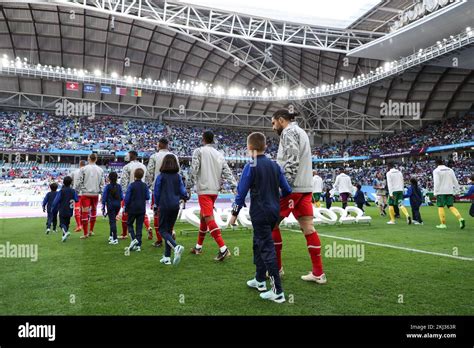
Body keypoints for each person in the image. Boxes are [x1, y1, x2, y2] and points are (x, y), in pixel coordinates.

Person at [229, 132, 291, 303]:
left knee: (266, 248)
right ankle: (259, 280)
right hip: (273, 212)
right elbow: (286, 190)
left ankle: (277, 291)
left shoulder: (251, 166)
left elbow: (241, 193)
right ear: (265, 146)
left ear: (249, 148)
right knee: (259, 244)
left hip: (259, 213)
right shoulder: (275, 165)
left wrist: (234, 214)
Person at [271, 108, 326, 284]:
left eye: (273, 123)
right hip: (305, 188)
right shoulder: (301, 131)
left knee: (271, 224)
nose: (273, 127)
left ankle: (276, 269)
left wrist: (284, 187)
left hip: (292, 188)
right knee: (308, 227)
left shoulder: (288, 132)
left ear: (281, 120)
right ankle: (318, 273)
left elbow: (292, 160)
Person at [188, 131, 237, 261]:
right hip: (215, 191)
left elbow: (194, 169)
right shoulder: (219, 154)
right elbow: (227, 171)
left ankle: (223, 249)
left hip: (203, 189)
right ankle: (198, 247)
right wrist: (234, 186)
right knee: (203, 217)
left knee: (208, 218)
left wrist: (187, 186)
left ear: (203, 139)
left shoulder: (198, 151)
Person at [153, 154, 187, 265]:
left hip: (164, 205)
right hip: (175, 206)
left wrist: (156, 204)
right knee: (168, 230)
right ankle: (167, 257)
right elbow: (183, 192)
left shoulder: (161, 176)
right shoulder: (178, 176)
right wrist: (184, 196)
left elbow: (156, 192)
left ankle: (176, 247)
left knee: (162, 230)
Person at [146, 138, 180, 247]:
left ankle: (160, 239)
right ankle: (170, 233)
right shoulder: (174, 156)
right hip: (172, 189)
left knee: (157, 214)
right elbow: (178, 173)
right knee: (170, 213)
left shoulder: (154, 156)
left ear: (159, 145)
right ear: (167, 145)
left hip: (159, 189)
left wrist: (150, 185)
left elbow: (149, 173)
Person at [120, 150, 152, 240]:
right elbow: (148, 179)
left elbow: (123, 181)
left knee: (125, 214)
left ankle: (125, 233)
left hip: (131, 190)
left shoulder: (127, 167)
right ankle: (148, 227)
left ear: (131, 156)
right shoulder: (143, 166)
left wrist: (125, 192)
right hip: (142, 191)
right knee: (142, 213)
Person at [76, 153, 105, 239]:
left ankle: (85, 233)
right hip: (95, 194)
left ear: (89, 159)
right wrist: (102, 194)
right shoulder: (100, 170)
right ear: (96, 159)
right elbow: (102, 184)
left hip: (85, 194)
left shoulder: (83, 169)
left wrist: (78, 191)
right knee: (93, 211)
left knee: (85, 213)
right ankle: (91, 231)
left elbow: (79, 181)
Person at [433, 159, 465, 229]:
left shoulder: (436, 171)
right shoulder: (450, 170)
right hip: (450, 191)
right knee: (451, 206)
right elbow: (455, 180)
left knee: (440, 207)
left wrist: (435, 192)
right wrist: (457, 190)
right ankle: (460, 218)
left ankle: (443, 224)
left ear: (436, 164)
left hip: (441, 192)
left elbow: (436, 182)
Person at [124, 168, 150, 252]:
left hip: (132, 208)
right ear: (142, 176)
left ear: (134, 175)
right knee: (139, 227)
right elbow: (148, 197)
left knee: (129, 224)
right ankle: (138, 245)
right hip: (141, 209)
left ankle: (133, 238)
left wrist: (125, 207)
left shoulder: (131, 185)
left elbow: (127, 198)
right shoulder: (145, 185)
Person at [51, 176, 79, 243]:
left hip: (63, 210)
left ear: (63, 182)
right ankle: (64, 236)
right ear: (71, 183)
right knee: (67, 223)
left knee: (62, 224)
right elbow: (77, 199)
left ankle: (65, 232)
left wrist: (52, 208)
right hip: (70, 210)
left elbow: (56, 201)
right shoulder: (73, 191)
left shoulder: (61, 191)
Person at [102, 172, 123, 245]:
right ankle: (111, 236)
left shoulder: (108, 187)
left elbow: (104, 198)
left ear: (109, 178)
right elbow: (122, 197)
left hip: (110, 205)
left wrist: (103, 207)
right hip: (117, 205)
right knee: (113, 221)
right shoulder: (119, 186)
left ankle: (115, 238)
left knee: (112, 222)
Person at [71, 160, 86, 232]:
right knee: (84, 210)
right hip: (85, 193)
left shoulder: (74, 172)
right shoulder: (88, 172)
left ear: (79, 164)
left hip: (76, 193)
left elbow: (70, 182)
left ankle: (79, 225)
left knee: (77, 209)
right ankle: (83, 225)